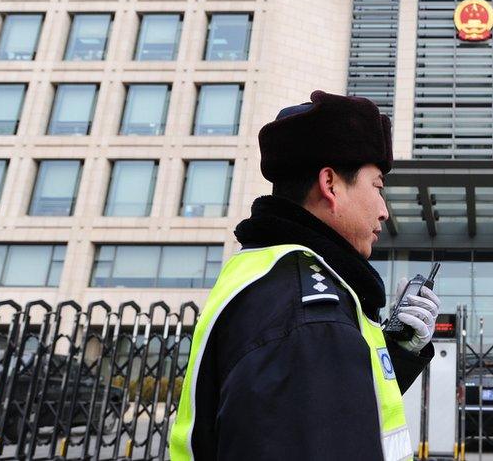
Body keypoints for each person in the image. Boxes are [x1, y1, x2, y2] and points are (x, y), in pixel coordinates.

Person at [169, 91, 440, 461]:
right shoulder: (311, 315)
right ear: (330, 185)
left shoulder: (270, 275)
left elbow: (329, 414)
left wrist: (398, 352)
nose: (384, 211)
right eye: (378, 187)